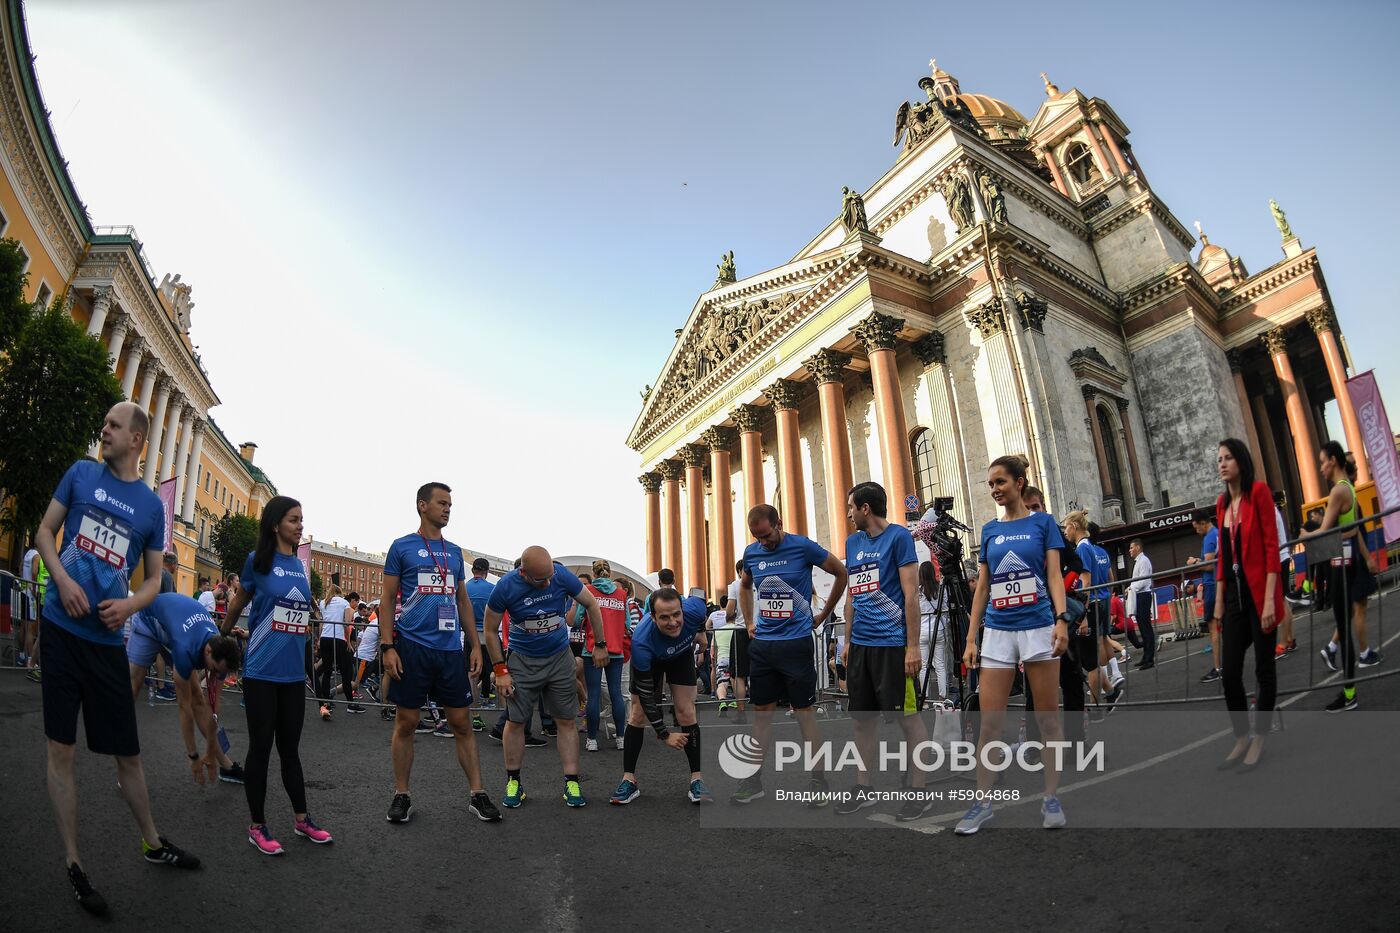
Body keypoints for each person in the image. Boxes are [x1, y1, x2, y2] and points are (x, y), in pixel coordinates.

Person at [34, 402, 201, 913]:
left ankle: (152, 841)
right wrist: (63, 580)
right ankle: (74, 863)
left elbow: (152, 581)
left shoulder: (151, 509)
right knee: (62, 750)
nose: (103, 429)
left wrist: (129, 605)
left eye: (113, 424)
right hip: (61, 631)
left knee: (127, 753)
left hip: (107, 644)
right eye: (104, 422)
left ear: (135, 439)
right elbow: (44, 533)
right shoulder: (81, 474)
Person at [954, 455, 1071, 835]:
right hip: (998, 632)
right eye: (990, 484)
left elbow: (1054, 576)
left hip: (1038, 628)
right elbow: (982, 588)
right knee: (989, 724)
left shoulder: (1043, 523)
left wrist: (1061, 619)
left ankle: (1050, 798)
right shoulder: (989, 530)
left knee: (1047, 719)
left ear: (1019, 483)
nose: (994, 489)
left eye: (1000, 482)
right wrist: (971, 638)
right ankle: (982, 803)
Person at [379, 482, 500, 824]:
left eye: (450, 504)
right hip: (412, 647)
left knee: (461, 722)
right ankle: (401, 795)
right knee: (407, 722)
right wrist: (388, 647)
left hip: (449, 650)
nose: (448, 509)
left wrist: (474, 645)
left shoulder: (454, 552)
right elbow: (387, 599)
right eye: (442, 503)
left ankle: (478, 793)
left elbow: (462, 600)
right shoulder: (401, 547)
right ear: (422, 505)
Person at [220, 496, 336, 854]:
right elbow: (239, 602)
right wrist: (221, 636)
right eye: (293, 520)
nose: (300, 526)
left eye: (301, 519)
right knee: (260, 749)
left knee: (290, 750)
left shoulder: (299, 567)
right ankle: (257, 826)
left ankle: (302, 819)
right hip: (261, 670)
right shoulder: (257, 560)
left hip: (291, 676)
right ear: (275, 525)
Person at [732, 503, 849, 805]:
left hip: (796, 644)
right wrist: (749, 621)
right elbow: (744, 587)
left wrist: (823, 614)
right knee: (761, 716)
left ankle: (819, 781)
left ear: (779, 523)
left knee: (804, 715)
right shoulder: (752, 553)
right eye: (757, 537)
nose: (763, 542)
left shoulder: (802, 546)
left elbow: (840, 572)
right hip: (764, 647)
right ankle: (753, 781)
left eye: (767, 535)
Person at [834, 482, 932, 821]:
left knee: (908, 720)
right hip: (861, 647)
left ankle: (919, 792)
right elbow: (852, 596)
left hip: (893, 646)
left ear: (865, 508)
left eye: (851, 507)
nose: (848, 514)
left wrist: (912, 646)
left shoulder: (899, 538)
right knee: (862, 721)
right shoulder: (852, 543)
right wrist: (847, 641)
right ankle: (863, 788)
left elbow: (910, 595)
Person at [483, 546, 604, 808]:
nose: (548, 583)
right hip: (523, 660)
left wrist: (601, 644)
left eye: (550, 577)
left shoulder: (560, 575)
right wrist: (500, 670)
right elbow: (490, 630)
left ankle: (572, 782)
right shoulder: (506, 586)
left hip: (559, 657)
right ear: (523, 572)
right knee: (516, 721)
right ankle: (513, 782)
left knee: (566, 721)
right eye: (541, 580)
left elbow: (591, 604)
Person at [1209, 439, 1282, 769]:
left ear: (1241, 460)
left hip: (1261, 593)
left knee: (1264, 670)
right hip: (1234, 598)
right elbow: (1223, 557)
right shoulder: (1222, 504)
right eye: (1219, 459)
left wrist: (1269, 601)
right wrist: (1219, 602)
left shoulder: (1259, 493)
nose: (1222, 464)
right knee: (1230, 673)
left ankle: (1260, 738)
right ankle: (1241, 737)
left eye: (1228, 458)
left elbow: (1271, 548)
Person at [126, 592, 244, 783]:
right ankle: (125, 765)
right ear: (208, 651)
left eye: (219, 673)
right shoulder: (186, 650)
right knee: (132, 689)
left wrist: (209, 751)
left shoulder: (221, 655)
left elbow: (213, 708)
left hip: (176, 628)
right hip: (149, 620)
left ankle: (225, 765)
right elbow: (184, 707)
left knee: (200, 699)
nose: (215, 675)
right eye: (214, 670)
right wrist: (193, 756)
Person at [610, 589, 712, 805]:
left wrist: (701, 630)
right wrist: (664, 734)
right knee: (637, 713)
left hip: (680, 655)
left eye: (676, 614)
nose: (673, 622)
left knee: (686, 712)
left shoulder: (695, 610)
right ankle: (629, 780)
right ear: (653, 617)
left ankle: (697, 780)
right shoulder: (641, 642)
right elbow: (647, 696)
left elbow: (698, 594)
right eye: (664, 617)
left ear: (683, 610)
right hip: (653, 658)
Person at [1302, 442, 1377, 713]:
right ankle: (1348, 691)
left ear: (1332, 460)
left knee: (1343, 630)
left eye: (1322, 462)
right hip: (1348, 559)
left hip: (1340, 564)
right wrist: (1365, 557)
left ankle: (1349, 694)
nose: (1321, 467)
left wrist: (1304, 535)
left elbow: (1323, 530)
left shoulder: (1338, 491)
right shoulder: (1349, 488)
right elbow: (1352, 530)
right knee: (1344, 625)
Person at [581, 560, 629, 752]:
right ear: (610, 573)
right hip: (616, 648)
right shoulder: (621, 594)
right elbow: (627, 623)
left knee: (593, 694)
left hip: (592, 648)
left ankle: (592, 739)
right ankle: (621, 738)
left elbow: (577, 619)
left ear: (593, 573)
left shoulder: (588, 591)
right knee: (616, 693)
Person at [1190, 513, 1223, 684]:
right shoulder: (1216, 533)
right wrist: (1199, 560)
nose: (1197, 531)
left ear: (1203, 523)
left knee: (1214, 628)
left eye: (1197, 527)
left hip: (1211, 585)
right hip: (1217, 584)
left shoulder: (1210, 537)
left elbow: (1209, 565)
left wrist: (1194, 563)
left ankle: (1218, 668)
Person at [316, 586, 355, 720]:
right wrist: (348, 642)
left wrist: (319, 639)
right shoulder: (344, 602)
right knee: (346, 672)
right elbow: (347, 623)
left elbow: (321, 623)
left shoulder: (323, 602)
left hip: (325, 638)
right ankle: (350, 703)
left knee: (327, 672)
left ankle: (326, 704)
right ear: (339, 593)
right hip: (338, 638)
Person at [465, 557, 495, 728]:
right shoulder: (492, 589)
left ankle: (475, 716)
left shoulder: (464, 588)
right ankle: (504, 719)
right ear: (487, 571)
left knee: (472, 676)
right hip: (489, 635)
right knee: (500, 672)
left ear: (472, 570)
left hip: (470, 636)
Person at [915, 562, 947, 703]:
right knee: (940, 664)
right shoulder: (940, 589)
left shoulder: (917, 591)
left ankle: (925, 697)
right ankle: (942, 696)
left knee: (923, 666)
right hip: (937, 629)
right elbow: (944, 608)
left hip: (922, 630)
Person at [724, 558, 751, 722]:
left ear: (740, 572)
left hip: (741, 630)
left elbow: (729, 610)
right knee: (760, 672)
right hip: (762, 631)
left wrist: (731, 617)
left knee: (740, 675)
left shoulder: (735, 585)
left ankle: (741, 712)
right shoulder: (760, 581)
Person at [1272, 492, 1297, 659]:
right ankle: (1290, 639)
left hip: (1279, 558)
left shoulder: (1271, 512)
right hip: (1283, 557)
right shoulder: (1275, 511)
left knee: (1280, 602)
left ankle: (1283, 643)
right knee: (1283, 601)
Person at [1127, 539, 1156, 669]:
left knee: (1146, 627)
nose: (1130, 550)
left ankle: (1149, 659)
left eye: (1131, 547)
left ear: (1138, 547)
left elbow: (1144, 581)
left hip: (1143, 595)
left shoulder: (1143, 561)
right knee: (1143, 628)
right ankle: (1146, 657)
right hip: (1139, 595)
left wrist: (1131, 587)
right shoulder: (1139, 561)